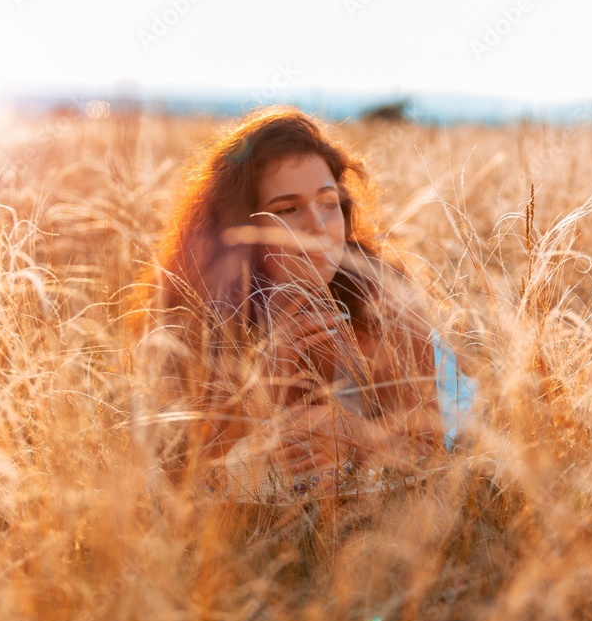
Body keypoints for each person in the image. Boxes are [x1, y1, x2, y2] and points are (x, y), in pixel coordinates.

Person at [129, 106, 475, 500]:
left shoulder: (383, 296)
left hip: (446, 398)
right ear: (240, 228)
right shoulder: (194, 314)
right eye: (288, 209)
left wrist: (359, 436)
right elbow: (181, 472)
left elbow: (430, 455)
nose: (317, 225)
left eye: (328, 203)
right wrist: (263, 383)